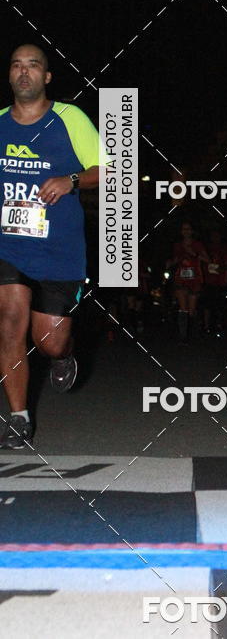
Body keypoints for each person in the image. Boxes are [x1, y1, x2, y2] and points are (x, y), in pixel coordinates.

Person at [0, 44, 103, 448]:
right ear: (10, 76)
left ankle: (63, 355)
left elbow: (109, 168)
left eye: (33, 66)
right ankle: (19, 417)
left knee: (49, 340)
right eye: (16, 65)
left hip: (58, 251)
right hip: (8, 245)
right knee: (9, 321)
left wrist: (70, 180)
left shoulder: (69, 117)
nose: (24, 72)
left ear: (47, 77)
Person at [167, 221, 208, 342]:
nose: (186, 231)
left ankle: (192, 333)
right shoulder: (177, 245)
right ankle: (183, 336)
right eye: (184, 229)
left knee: (192, 308)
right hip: (181, 278)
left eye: (188, 229)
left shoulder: (198, 244)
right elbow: (175, 259)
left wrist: (194, 254)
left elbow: (207, 259)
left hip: (194, 279)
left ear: (192, 231)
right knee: (182, 307)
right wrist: (171, 262)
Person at [203, 229, 227, 336]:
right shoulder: (207, 248)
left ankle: (220, 325)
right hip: (208, 281)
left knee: (221, 305)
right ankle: (206, 326)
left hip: (220, 281)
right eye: (213, 235)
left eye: (217, 235)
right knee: (207, 304)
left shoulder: (224, 249)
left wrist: (222, 268)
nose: (215, 237)